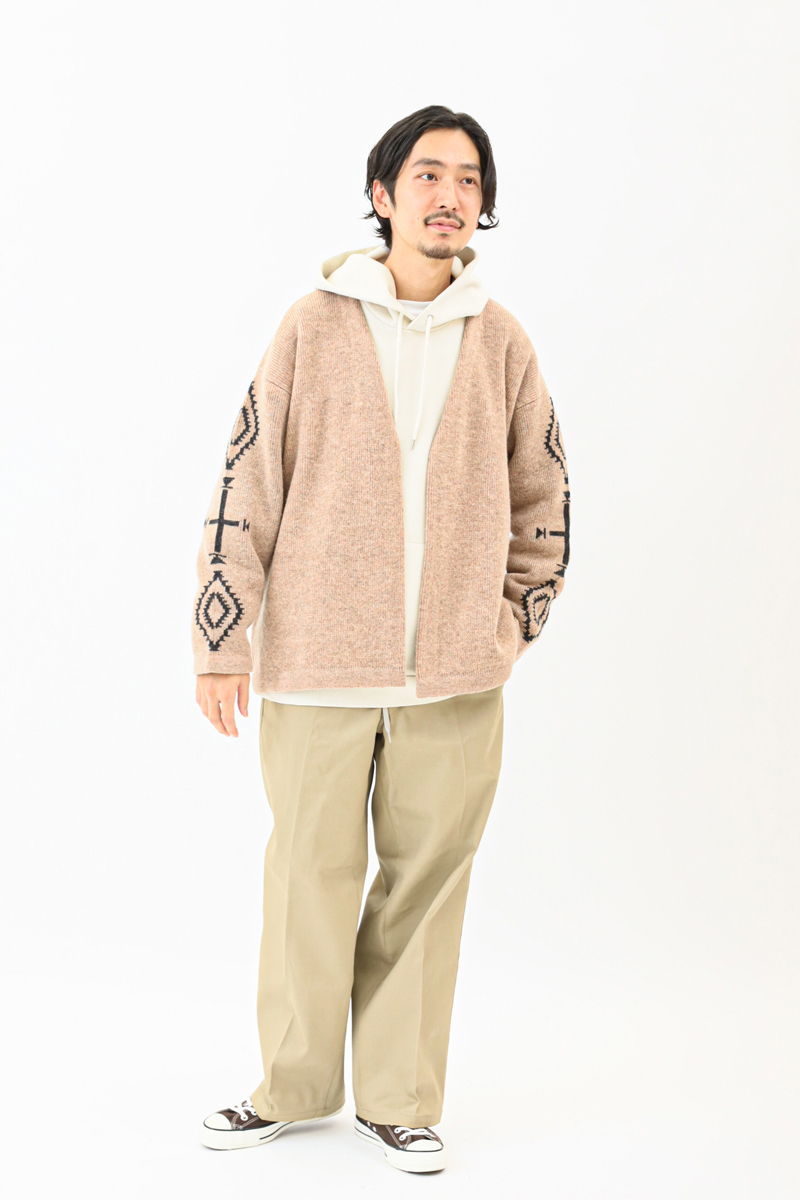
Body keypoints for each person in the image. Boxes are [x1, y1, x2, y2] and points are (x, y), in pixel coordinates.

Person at [190, 104, 571, 1174]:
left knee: (428, 886)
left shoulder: (501, 340)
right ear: (383, 194)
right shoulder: (310, 327)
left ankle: (399, 1100)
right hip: (316, 663)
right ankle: (291, 1086)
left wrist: (511, 624)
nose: (450, 196)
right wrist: (222, 638)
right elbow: (247, 481)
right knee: (306, 878)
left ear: (482, 206)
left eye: (469, 179)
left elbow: (544, 493)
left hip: (456, 676)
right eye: (428, 175)